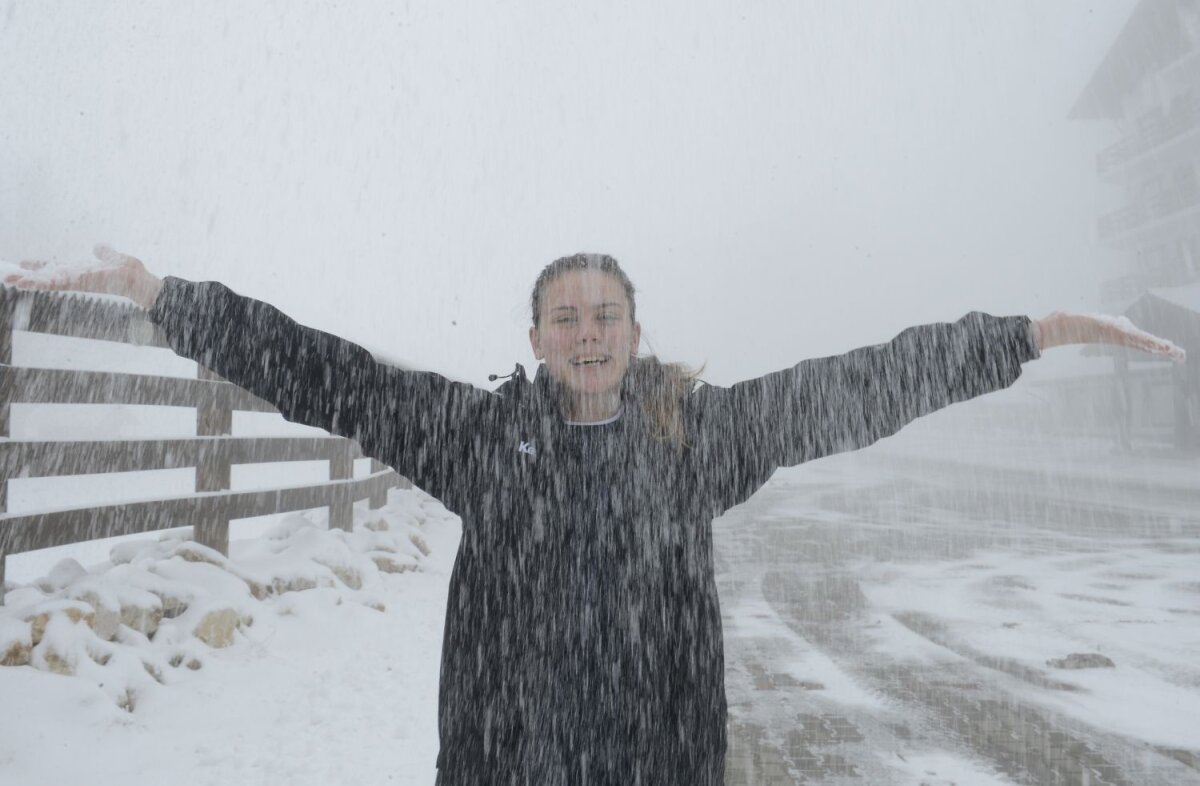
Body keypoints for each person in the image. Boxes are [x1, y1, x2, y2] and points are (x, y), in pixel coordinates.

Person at [5, 246, 1185, 785]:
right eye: (564, 315)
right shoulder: (479, 440)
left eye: (605, 312)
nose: (586, 331)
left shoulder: (699, 438)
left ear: (635, 330)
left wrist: (1017, 339)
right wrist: (170, 299)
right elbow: (327, 371)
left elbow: (855, 385)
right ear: (533, 340)